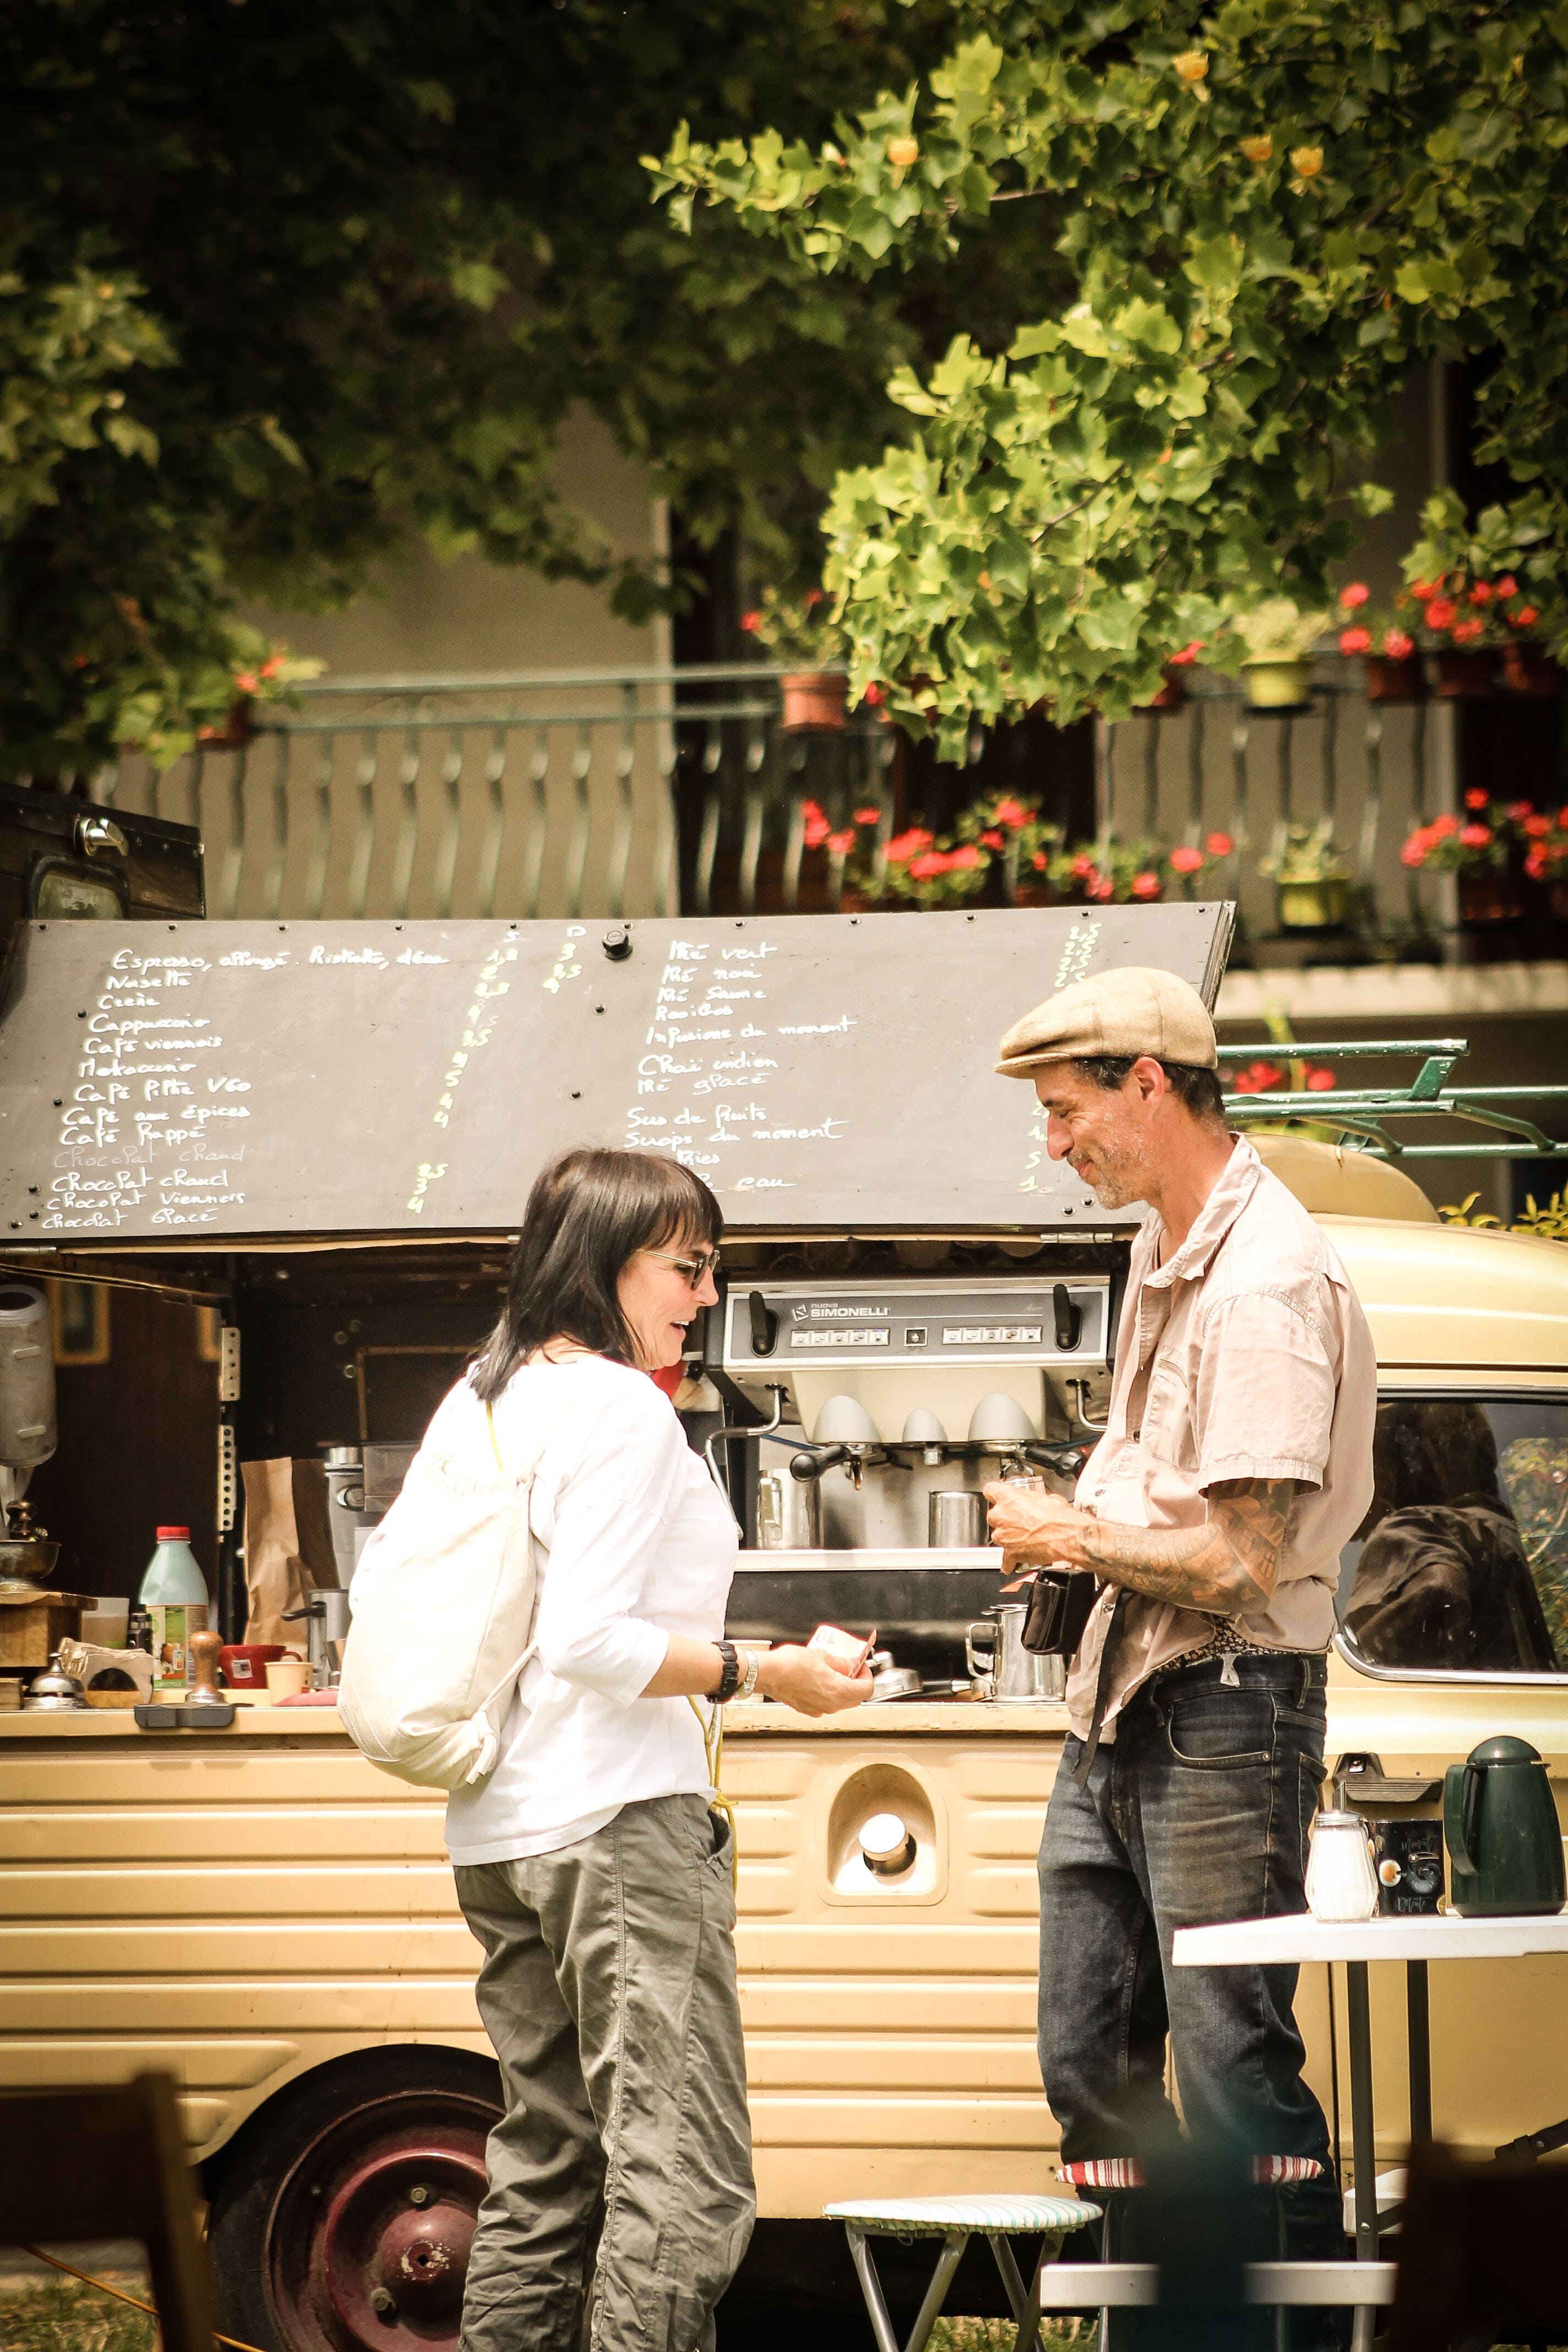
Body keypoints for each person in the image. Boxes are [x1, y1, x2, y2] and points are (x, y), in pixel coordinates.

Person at [984, 967, 1376, 2324]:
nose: (1052, 1144)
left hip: (1227, 1694)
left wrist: (1067, 1537)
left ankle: (1285, 2331)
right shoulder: (1165, 1245)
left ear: (1146, 1084)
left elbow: (1236, 1562)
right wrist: (1070, 1523)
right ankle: (1160, 2318)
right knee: (1084, 2042)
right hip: (1127, 1694)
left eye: (1062, 1112)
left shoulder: (1262, 1278)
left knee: (1228, 2056)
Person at [449, 1146, 872, 2352]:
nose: (700, 1294)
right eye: (685, 1268)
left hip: (499, 1826)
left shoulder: (489, 1394)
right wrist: (763, 1674)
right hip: (618, 1825)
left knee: (545, 2164)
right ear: (607, 1260)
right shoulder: (619, 1406)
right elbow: (590, 1641)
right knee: (679, 2180)